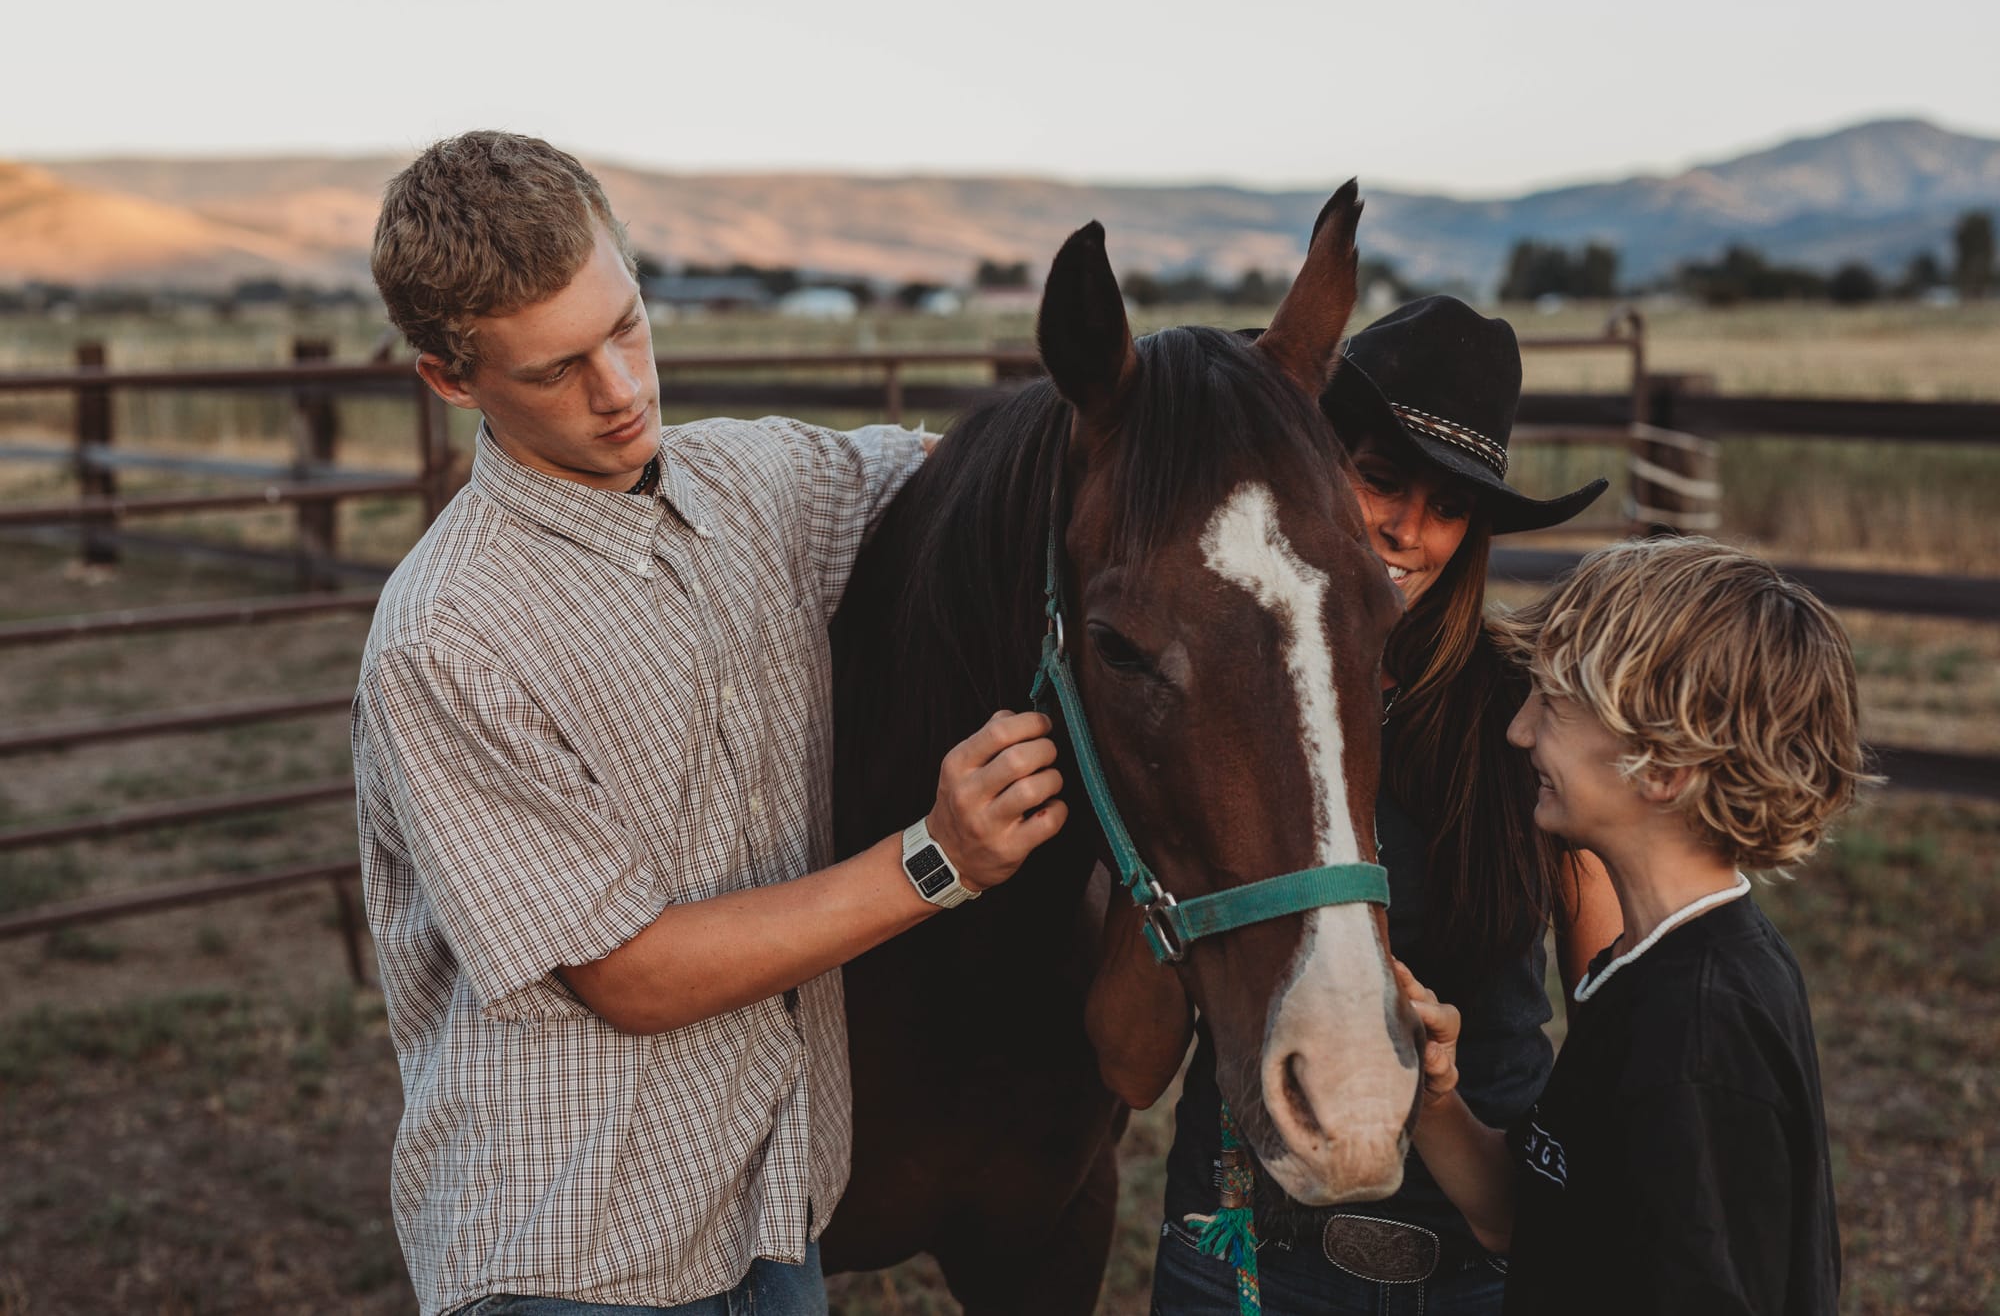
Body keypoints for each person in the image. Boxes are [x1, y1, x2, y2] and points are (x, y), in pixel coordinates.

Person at [351, 131, 1068, 1316]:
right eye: (553, 370)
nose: (621, 391)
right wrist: (936, 860)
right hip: (572, 1258)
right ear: (447, 377)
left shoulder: (757, 483)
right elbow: (629, 974)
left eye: (625, 325)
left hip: (766, 1213)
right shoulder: (445, 639)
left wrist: (1179, 431)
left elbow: (978, 486)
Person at [1086, 296, 1622, 1314]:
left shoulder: (1524, 719)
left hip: (1478, 1263)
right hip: (1240, 1252)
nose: (1408, 530)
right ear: (1310, 458)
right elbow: (1130, 1063)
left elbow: (1611, 1009)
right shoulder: (1220, 695)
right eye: (1377, 478)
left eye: (1450, 505)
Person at [1400, 536, 1862, 1314]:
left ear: (1662, 766)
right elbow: (1523, 1219)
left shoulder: (1700, 1028)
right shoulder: (1643, 971)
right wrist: (1431, 1090)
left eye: (1549, 704)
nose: (1517, 732)